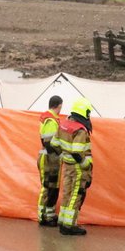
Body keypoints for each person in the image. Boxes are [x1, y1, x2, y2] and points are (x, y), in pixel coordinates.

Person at [56, 98, 94, 236]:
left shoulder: (64, 124)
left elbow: (55, 144)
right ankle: (69, 225)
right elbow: (77, 152)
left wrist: (64, 157)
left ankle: (62, 220)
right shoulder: (80, 130)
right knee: (76, 195)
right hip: (78, 167)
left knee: (66, 192)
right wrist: (86, 165)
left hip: (66, 165)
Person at [36, 95, 65, 226]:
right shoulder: (51, 120)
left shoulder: (50, 118)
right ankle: (42, 216)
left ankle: (49, 215)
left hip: (52, 159)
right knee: (48, 188)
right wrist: (61, 151)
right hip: (49, 158)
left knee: (53, 188)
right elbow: (49, 142)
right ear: (58, 106)